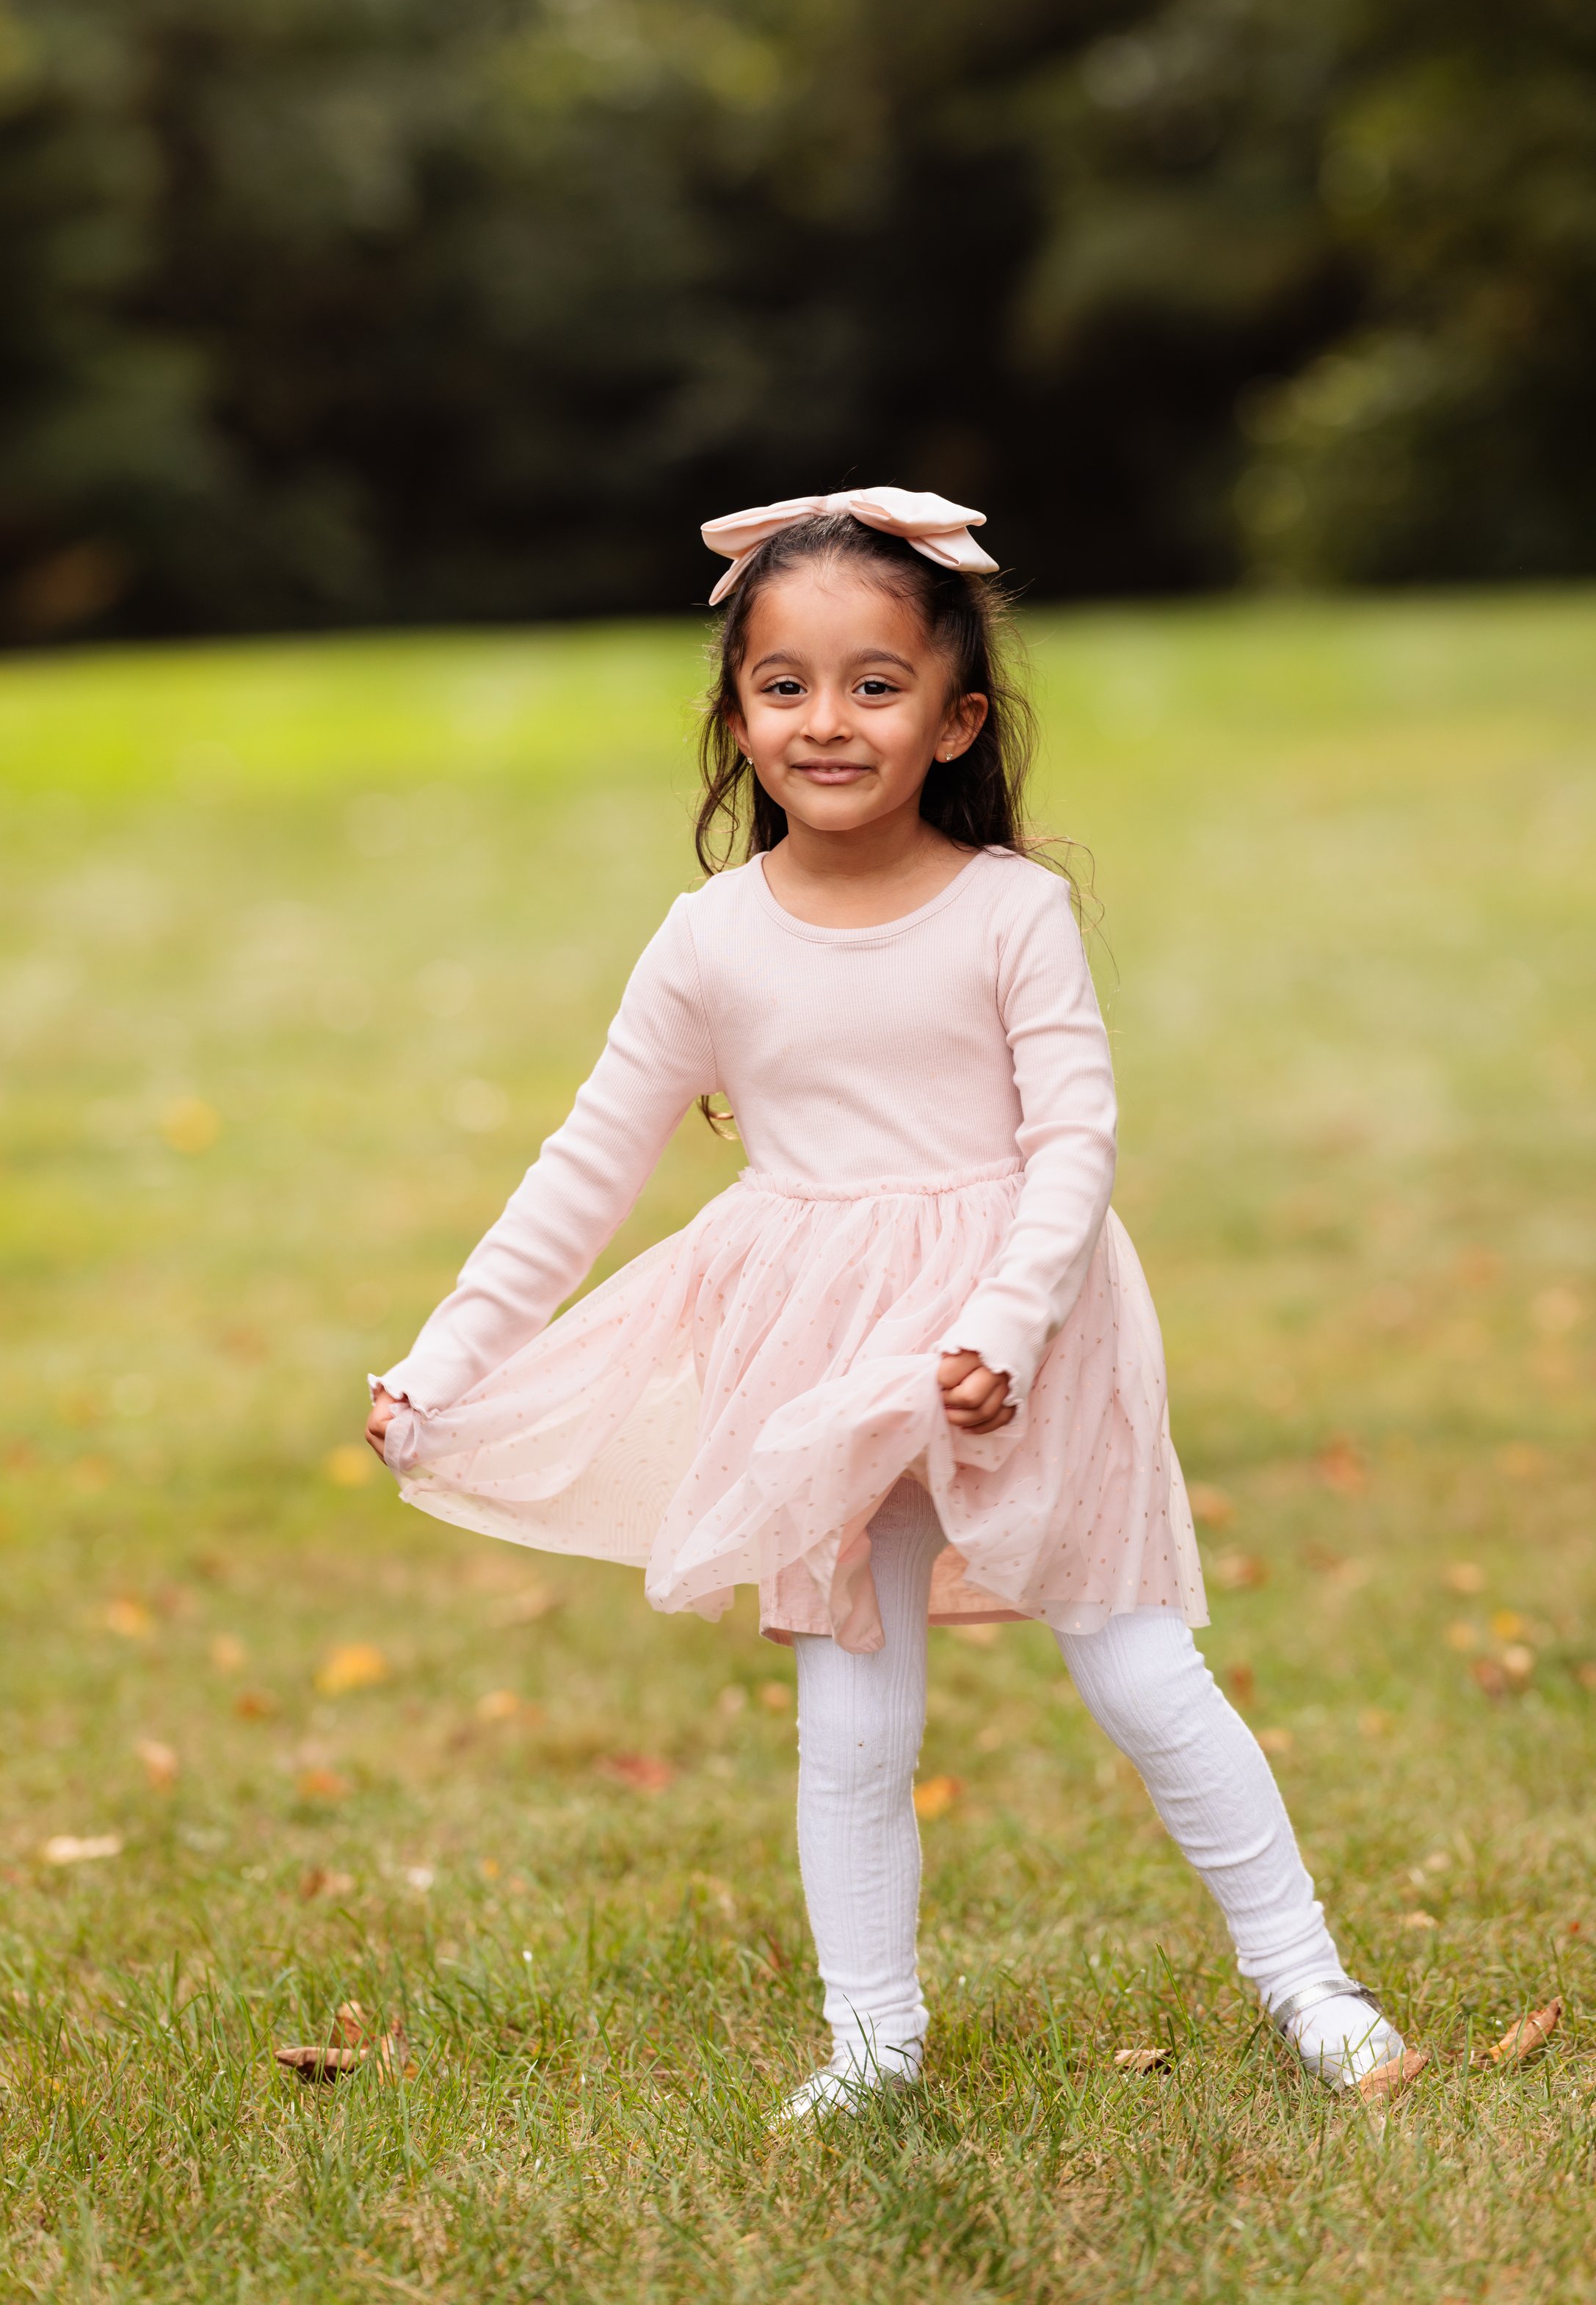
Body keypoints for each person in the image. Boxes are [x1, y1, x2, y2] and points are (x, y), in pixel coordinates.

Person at [366, 488, 1416, 2118]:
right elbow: (584, 1163)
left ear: (954, 717)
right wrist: (444, 1356)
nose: (826, 719)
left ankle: (1308, 1979)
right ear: (736, 714)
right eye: (783, 685)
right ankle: (871, 2035)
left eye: (874, 683)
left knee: (1140, 1668)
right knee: (853, 1706)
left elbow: (1071, 1139)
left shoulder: (1010, 911)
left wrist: (999, 1323)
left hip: (1019, 1334)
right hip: (813, 1350)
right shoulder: (707, 940)